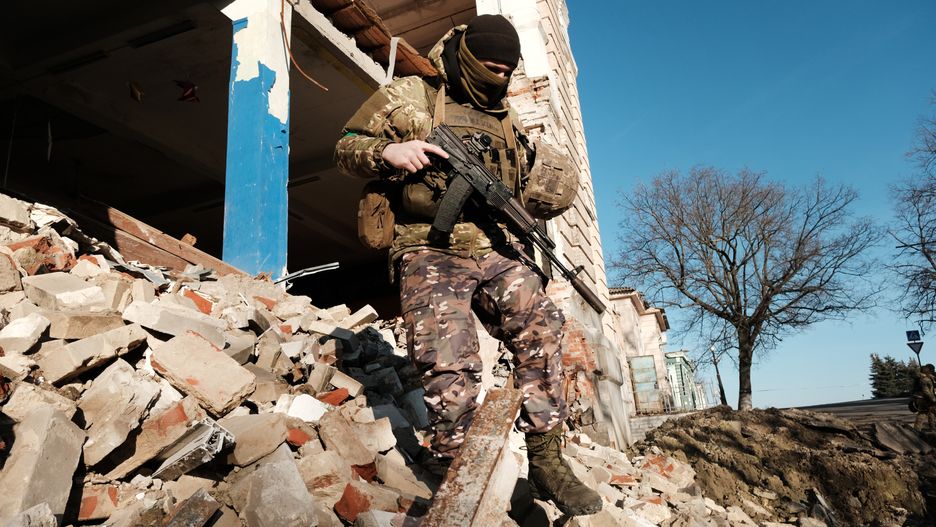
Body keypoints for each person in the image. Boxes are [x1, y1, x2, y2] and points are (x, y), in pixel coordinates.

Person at [335, 14, 601, 516]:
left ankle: (546, 458)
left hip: (493, 247)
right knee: (448, 354)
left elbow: (525, 180)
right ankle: (457, 465)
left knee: (542, 323)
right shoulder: (412, 94)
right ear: (464, 55)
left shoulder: (505, 117)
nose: (497, 78)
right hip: (426, 246)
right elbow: (345, 146)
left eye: (507, 70)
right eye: (489, 66)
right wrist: (390, 150)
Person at [913, 363, 936, 431]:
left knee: (930, 413)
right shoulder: (925, 379)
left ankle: (932, 428)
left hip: (922, 398)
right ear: (929, 370)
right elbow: (926, 391)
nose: (933, 371)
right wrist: (933, 398)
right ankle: (917, 430)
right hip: (924, 399)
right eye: (932, 370)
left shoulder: (925, 377)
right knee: (923, 413)